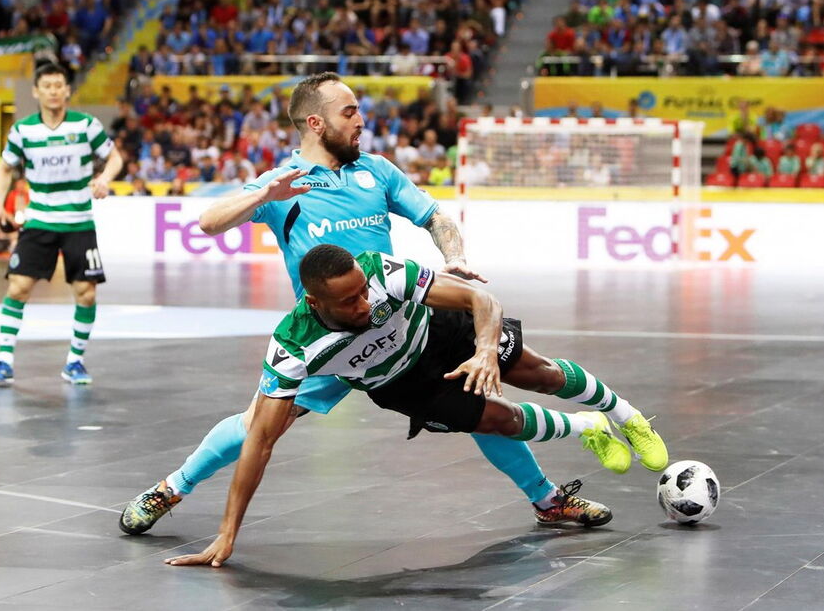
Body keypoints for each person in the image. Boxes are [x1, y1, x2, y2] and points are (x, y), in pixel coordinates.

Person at [119, 72, 667, 536]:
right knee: (257, 426)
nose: (362, 120)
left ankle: (549, 501)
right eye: (351, 111)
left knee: (481, 399)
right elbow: (208, 222)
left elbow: (437, 219)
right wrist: (264, 194)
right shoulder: (283, 186)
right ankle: (171, 489)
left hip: (406, 319)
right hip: (332, 343)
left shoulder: (376, 171)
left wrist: (451, 258)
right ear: (316, 123)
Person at [163, 244, 668, 568]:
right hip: (401, 384)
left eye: (364, 291)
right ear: (316, 304)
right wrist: (226, 535)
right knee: (500, 421)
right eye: (351, 302)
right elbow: (260, 443)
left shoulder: (383, 272)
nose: (365, 303)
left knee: (539, 374)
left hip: (441, 335)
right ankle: (589, 426)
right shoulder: (293, 346)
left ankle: (629, 417)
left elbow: (481, 302)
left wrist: (486, 351)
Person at [0, 63, 123, 386]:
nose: (54, 91)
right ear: (36, 91)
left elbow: (114, 158)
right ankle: (4, 362)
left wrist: (104, 179)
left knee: (85, 293)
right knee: (18, 287)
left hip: (78, 221)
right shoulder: (23, 130)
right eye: (47, 86)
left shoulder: (86, 125)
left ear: (67, 90)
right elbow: (4, 169)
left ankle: (75, 362)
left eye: (59, 85)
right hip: (40, 220)